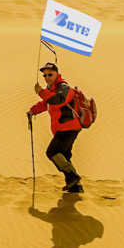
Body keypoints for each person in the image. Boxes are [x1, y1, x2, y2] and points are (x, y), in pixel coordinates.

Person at [25, 63, 84, 193]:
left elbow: (58, 100)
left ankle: (72, 176)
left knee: (52, 152)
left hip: (68, 127)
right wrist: (33, 110)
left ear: (57, 74)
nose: (47, 77)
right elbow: (46, 103)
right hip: (63, 128)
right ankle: (75, 186)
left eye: (50, 74)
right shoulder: (51, 89)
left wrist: (41, 92)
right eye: (45, 75)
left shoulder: (64, 88)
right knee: (64, 155)